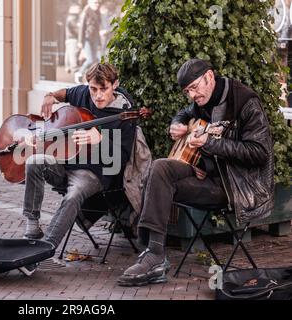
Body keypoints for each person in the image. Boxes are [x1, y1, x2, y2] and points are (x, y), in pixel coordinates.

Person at [118, 58, 275, 287]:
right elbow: (185, 113)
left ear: (210, 77)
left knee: (161, 184)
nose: (192, 95)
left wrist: (210, 143)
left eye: (194, 88)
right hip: (204, 172)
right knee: (160, 167)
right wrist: (177, 123)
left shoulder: (245, 101)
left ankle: (153, 254)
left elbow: (260, 152)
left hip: (234, 186)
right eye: (187, 91)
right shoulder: (203, 98)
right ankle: (154, 254)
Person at [22, 63, 151, 251]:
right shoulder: (84, 93)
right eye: (93, 89)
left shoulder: (125, 113)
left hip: (96, 174)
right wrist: (50, 96)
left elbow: (120, 160)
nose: (97, 95)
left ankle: (44, 248)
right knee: (34, 161)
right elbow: (65, 94)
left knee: (73, 194)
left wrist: (100, 140)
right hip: (67, 163)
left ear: (115, 85)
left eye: (103, 89)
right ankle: (32, 227)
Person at [74, 0, 102, 84]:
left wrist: (99, 42)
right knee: (89, 59)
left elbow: (97, 29)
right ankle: (79, 73)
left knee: (94, 60)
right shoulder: (85, 13)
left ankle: (88, 79)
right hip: (87, 39)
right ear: (89, 3)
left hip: (95, 39)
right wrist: (80, 41)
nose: (97, 4)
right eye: (95, 2)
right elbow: (81, 28)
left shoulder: (97, 13)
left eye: (98, 3)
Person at [64, 4, 81, 74]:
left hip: (69, 38)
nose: (79, 9)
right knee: (72, 54)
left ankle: (67, 67)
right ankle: (75, 69)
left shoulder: (70, 17)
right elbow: (75, 29)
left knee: (68, 53)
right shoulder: (73, 18)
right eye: (78, 8)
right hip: (73, 38)